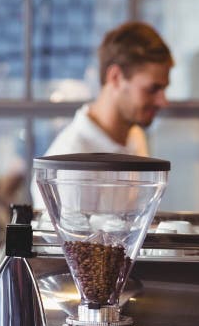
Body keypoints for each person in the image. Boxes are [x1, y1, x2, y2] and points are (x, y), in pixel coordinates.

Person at [30, 21, 173, 210]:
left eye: (163, 89)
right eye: (153, 89)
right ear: (115, 77)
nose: (163, 101)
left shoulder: (134, 136)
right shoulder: (70, 166)